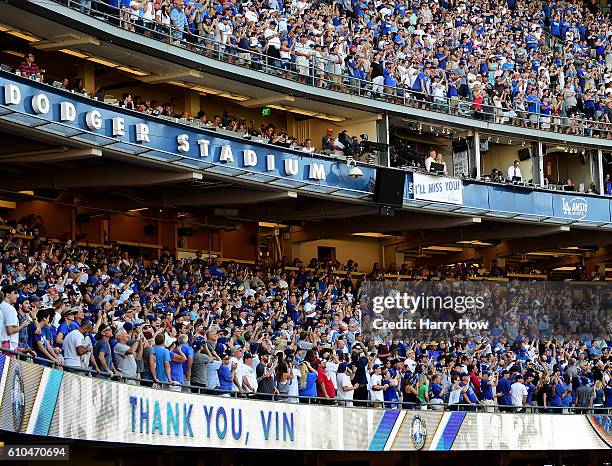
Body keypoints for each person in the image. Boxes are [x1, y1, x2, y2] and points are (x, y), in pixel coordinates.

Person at [0, 285, 29, 355]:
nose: (18, 295)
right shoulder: (10, 309)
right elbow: (10, 331)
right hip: (8, 347)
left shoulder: (1, 306)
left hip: (4, 345)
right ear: (7, 295)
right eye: (15, 293)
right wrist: (23, 326)